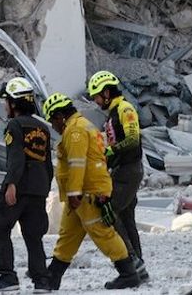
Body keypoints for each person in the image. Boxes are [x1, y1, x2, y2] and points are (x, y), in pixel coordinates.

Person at [40, 93, 140, 290]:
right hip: (83, 192)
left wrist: (74, 193)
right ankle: (53, 276)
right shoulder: (81, 125)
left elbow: (77, 163)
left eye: (53, 120)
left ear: (60, 115)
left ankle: (128, 273)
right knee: (68, 235)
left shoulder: (75, 130)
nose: (53, 126)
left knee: (102, 232)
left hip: (88, 192)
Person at [0, 78, 53, 293]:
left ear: (14, 103)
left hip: (20, 185)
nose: (4, 105)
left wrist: (11, 184)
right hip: (39, 188)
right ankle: (41, 280)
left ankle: (7, 277)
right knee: (33, 234)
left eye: (6, 101)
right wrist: (44, 188)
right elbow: (48, 163)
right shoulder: (43, 127)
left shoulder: (14, 125)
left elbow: (16, 158)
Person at [86, 71, 148, 282]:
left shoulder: (125, 109)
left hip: (129, 171)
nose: (95, 101)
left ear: (106, 92)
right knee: (126, 218)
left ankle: (130, 262)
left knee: (109, 212)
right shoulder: (113, 114)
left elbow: (132, 139)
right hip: (123, 170)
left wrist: (111, 152)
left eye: (96, 96)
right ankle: (139, 268)